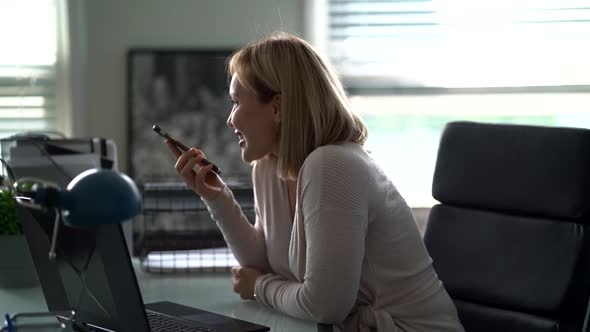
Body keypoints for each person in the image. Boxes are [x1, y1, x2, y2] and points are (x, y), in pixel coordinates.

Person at [167, 32, 464, 332]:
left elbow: (324, 305)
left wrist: (260, 287)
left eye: (235, 102)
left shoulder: (334, 165)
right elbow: (263, 261)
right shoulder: (268, 168)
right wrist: (216, 197)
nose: (230, 120)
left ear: (277, 108)